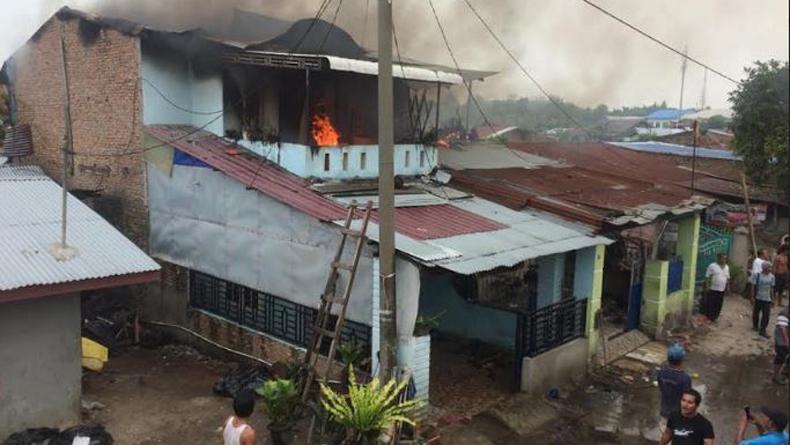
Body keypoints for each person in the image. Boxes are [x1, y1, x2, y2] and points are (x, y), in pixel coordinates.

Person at [657, 344, 692, 419]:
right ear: (682, 360)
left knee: (666, 428)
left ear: (668, 358)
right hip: (678, 413)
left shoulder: (661, 372)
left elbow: (661, 388)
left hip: (664, 410)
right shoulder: (685, 378)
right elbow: (687, 397)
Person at [703, 253, 730, 322]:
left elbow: (727, 278)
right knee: (711, 303)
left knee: (719, 304)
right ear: (718, 258)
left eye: (725, 258)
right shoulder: (712, 266)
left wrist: (727, 287)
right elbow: (707, 277)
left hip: (722, 289)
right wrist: (707, 287)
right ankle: (709, 317)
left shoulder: (726, 267)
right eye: (722, 258)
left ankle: (715, 317)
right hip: (713, 289)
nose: (724, 260)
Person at [752, 262, 776, 338]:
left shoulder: (772, 277)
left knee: (766, 315)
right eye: (769, 267)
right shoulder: (758, 275)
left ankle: (763, 330)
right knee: (756, 313)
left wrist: (773, 299)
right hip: (758, 297)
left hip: (767, 298)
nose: (770, 269)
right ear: (764, 268)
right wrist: (752, 296)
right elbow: (753, 286)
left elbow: (772, 289)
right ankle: (755, 326)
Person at [773, 307, 789, 385]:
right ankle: (775, 377)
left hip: (786, 336)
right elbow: (783, 328)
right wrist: (787, 341)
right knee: (781, 356)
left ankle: (786, 371)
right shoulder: (784, 313)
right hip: (781, 338)